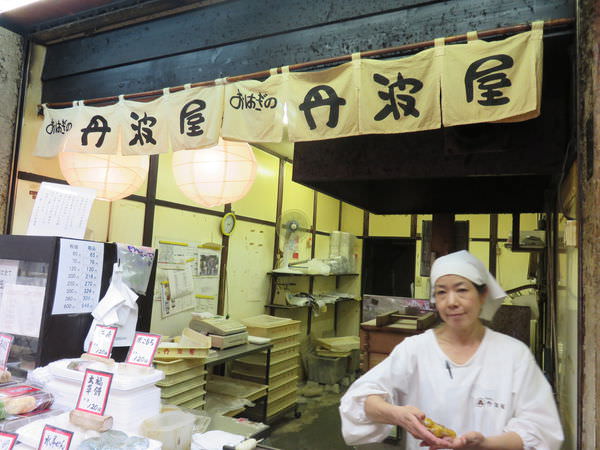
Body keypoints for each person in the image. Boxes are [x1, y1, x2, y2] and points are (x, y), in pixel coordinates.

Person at [339, 250, 563, 449]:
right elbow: (360, 399)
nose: (451, 302)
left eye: (462, 290)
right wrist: (397, 415)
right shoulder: (415, 350)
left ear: (482, 295)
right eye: (441, 292)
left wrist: (485, 444)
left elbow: (541, 427)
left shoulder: (513, 354)